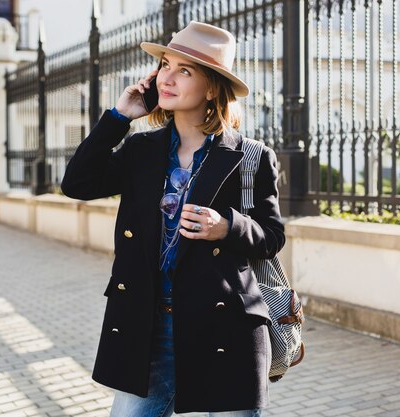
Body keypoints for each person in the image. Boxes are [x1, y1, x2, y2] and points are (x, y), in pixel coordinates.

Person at [61, 21, 285, 417]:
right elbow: (76, 183)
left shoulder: (250, 156)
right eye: (165, 65)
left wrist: (227, 226)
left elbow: (271, 236)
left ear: (212, 86)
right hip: (149, 326)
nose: (167, 77)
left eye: (185, 70)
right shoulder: (140, 150)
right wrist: (118, 116)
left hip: (226, 326)